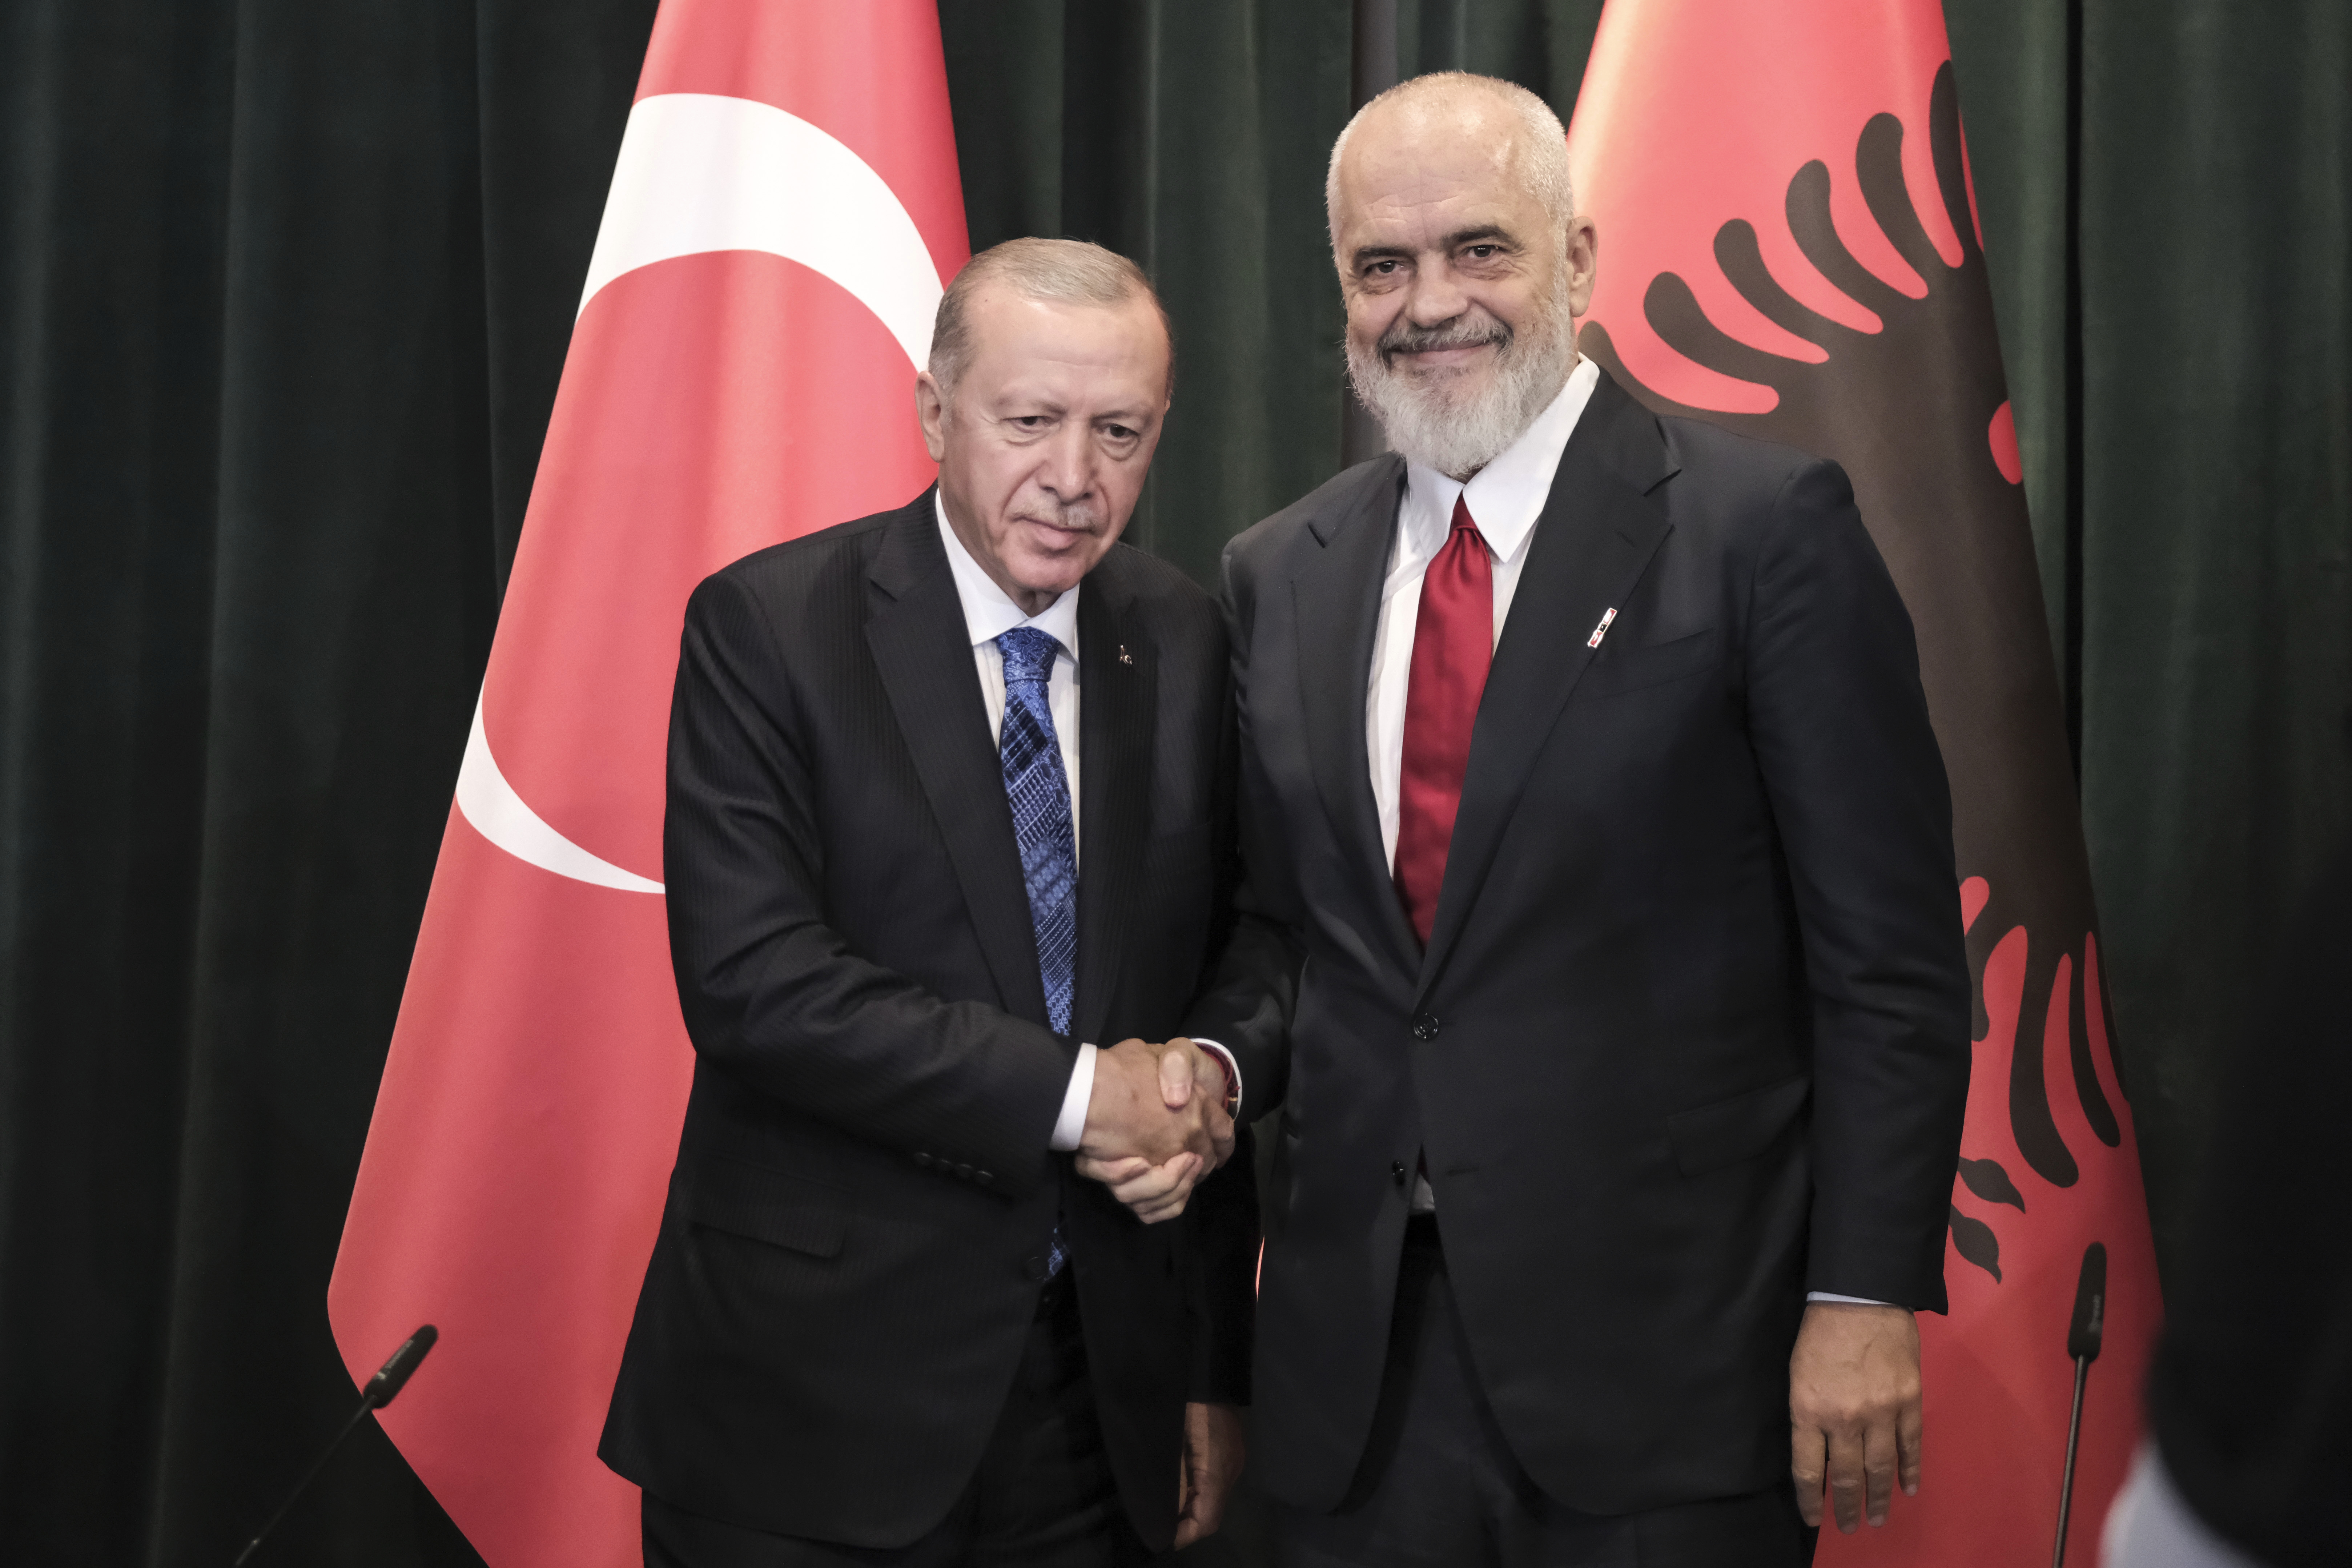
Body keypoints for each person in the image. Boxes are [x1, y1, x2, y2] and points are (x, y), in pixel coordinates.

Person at [1181, 72, 1974, 1565]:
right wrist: (1209, 1069)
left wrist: (1862, 1292)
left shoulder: (1761, 530)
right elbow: (1288, 933)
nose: (1430, 303)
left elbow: (1889, 961)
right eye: (1381, 265)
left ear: (1579, 259)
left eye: (1478, 248)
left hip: (1670, 1365)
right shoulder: (1279, 571)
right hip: (1358, 1382)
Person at [600, 238, 1257, 1567]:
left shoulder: (1186, 635)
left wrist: (1207, 1082)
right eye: (1030, 421)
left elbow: (1248, 945)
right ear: (934, 411)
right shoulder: (770, 627)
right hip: (812, 1412)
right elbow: (756, 985)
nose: (1074, 478)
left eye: (1119, 432)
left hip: (1096, 1414)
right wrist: (1086, 1094)